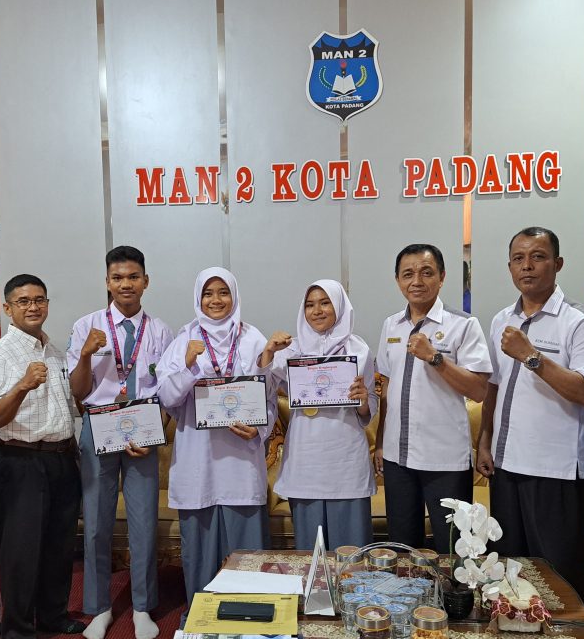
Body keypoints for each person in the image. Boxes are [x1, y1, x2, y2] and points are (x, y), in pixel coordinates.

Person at [476, 228, 584, 609]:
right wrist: (484, 439)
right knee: (510, 572)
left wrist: (531, 356)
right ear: (509, 267)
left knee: (561, 578)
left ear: (557, 263)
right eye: (518, 258)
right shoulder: (502, 319)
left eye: (538, 257)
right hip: (506, 467)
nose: (527, 266)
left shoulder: (580, 322)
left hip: (555, 470)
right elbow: (493, 387)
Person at [68, 246, 174, 639]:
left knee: (143, 521)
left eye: (133, 277)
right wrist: (85, 355)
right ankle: (99, 607)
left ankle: (143, 606)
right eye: (117, 278)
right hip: (99, 425)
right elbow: (78, 392)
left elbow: (168, 391)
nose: (125, 284)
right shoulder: (87, 326)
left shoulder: (161, 331)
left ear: (146, 281)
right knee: (96, 521)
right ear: (107, 283)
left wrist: (155, 430)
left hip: (143, 428)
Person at [156, 267, 276, 606]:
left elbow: (268, 398)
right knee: (200, 551)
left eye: (223, 292)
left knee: (247, 554)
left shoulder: (253, 339)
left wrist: (259, 429)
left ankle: (250, 614)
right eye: (208, 293)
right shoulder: (183, 341)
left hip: (241, 461)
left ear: (234, 296)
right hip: (199, 461)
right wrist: (188, 366)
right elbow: (166, 398)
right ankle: (201, 615)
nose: (216, 300)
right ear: (198, 298)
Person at [0, 274, 83, 639]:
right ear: (8, 308)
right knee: (21, 551)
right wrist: (22, 385)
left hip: (61, 457)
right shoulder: (0, 355)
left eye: (39, 300)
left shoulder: (54, 351)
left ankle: (53, 614)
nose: (33, 307)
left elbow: (70, 407)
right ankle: (19, 630)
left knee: (59, 545)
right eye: (23, 301)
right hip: (21, 461)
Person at [374, 244, 491, 552]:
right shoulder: (391, 325)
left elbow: (479, 390)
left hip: (444, 459)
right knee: (402, 546)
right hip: (398, 457)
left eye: (426, 273)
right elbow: (387, 387)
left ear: (442, 277)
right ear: (397, 280)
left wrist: (435, 358)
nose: (417, 281)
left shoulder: (463, 324)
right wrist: (382, 442)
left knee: (454, 547)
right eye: (407, 274)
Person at [259, 279, 378, 550]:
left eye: (325, 303)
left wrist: (362, 399)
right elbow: (262, 390)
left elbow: (369, 406)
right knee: (310, 554)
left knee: (350, 555)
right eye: (310, 305)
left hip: (346, 460)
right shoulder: (291, 350)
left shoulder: (359, 350)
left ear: (339, 306)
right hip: (306, 460)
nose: (317, 311)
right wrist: (268, 352)